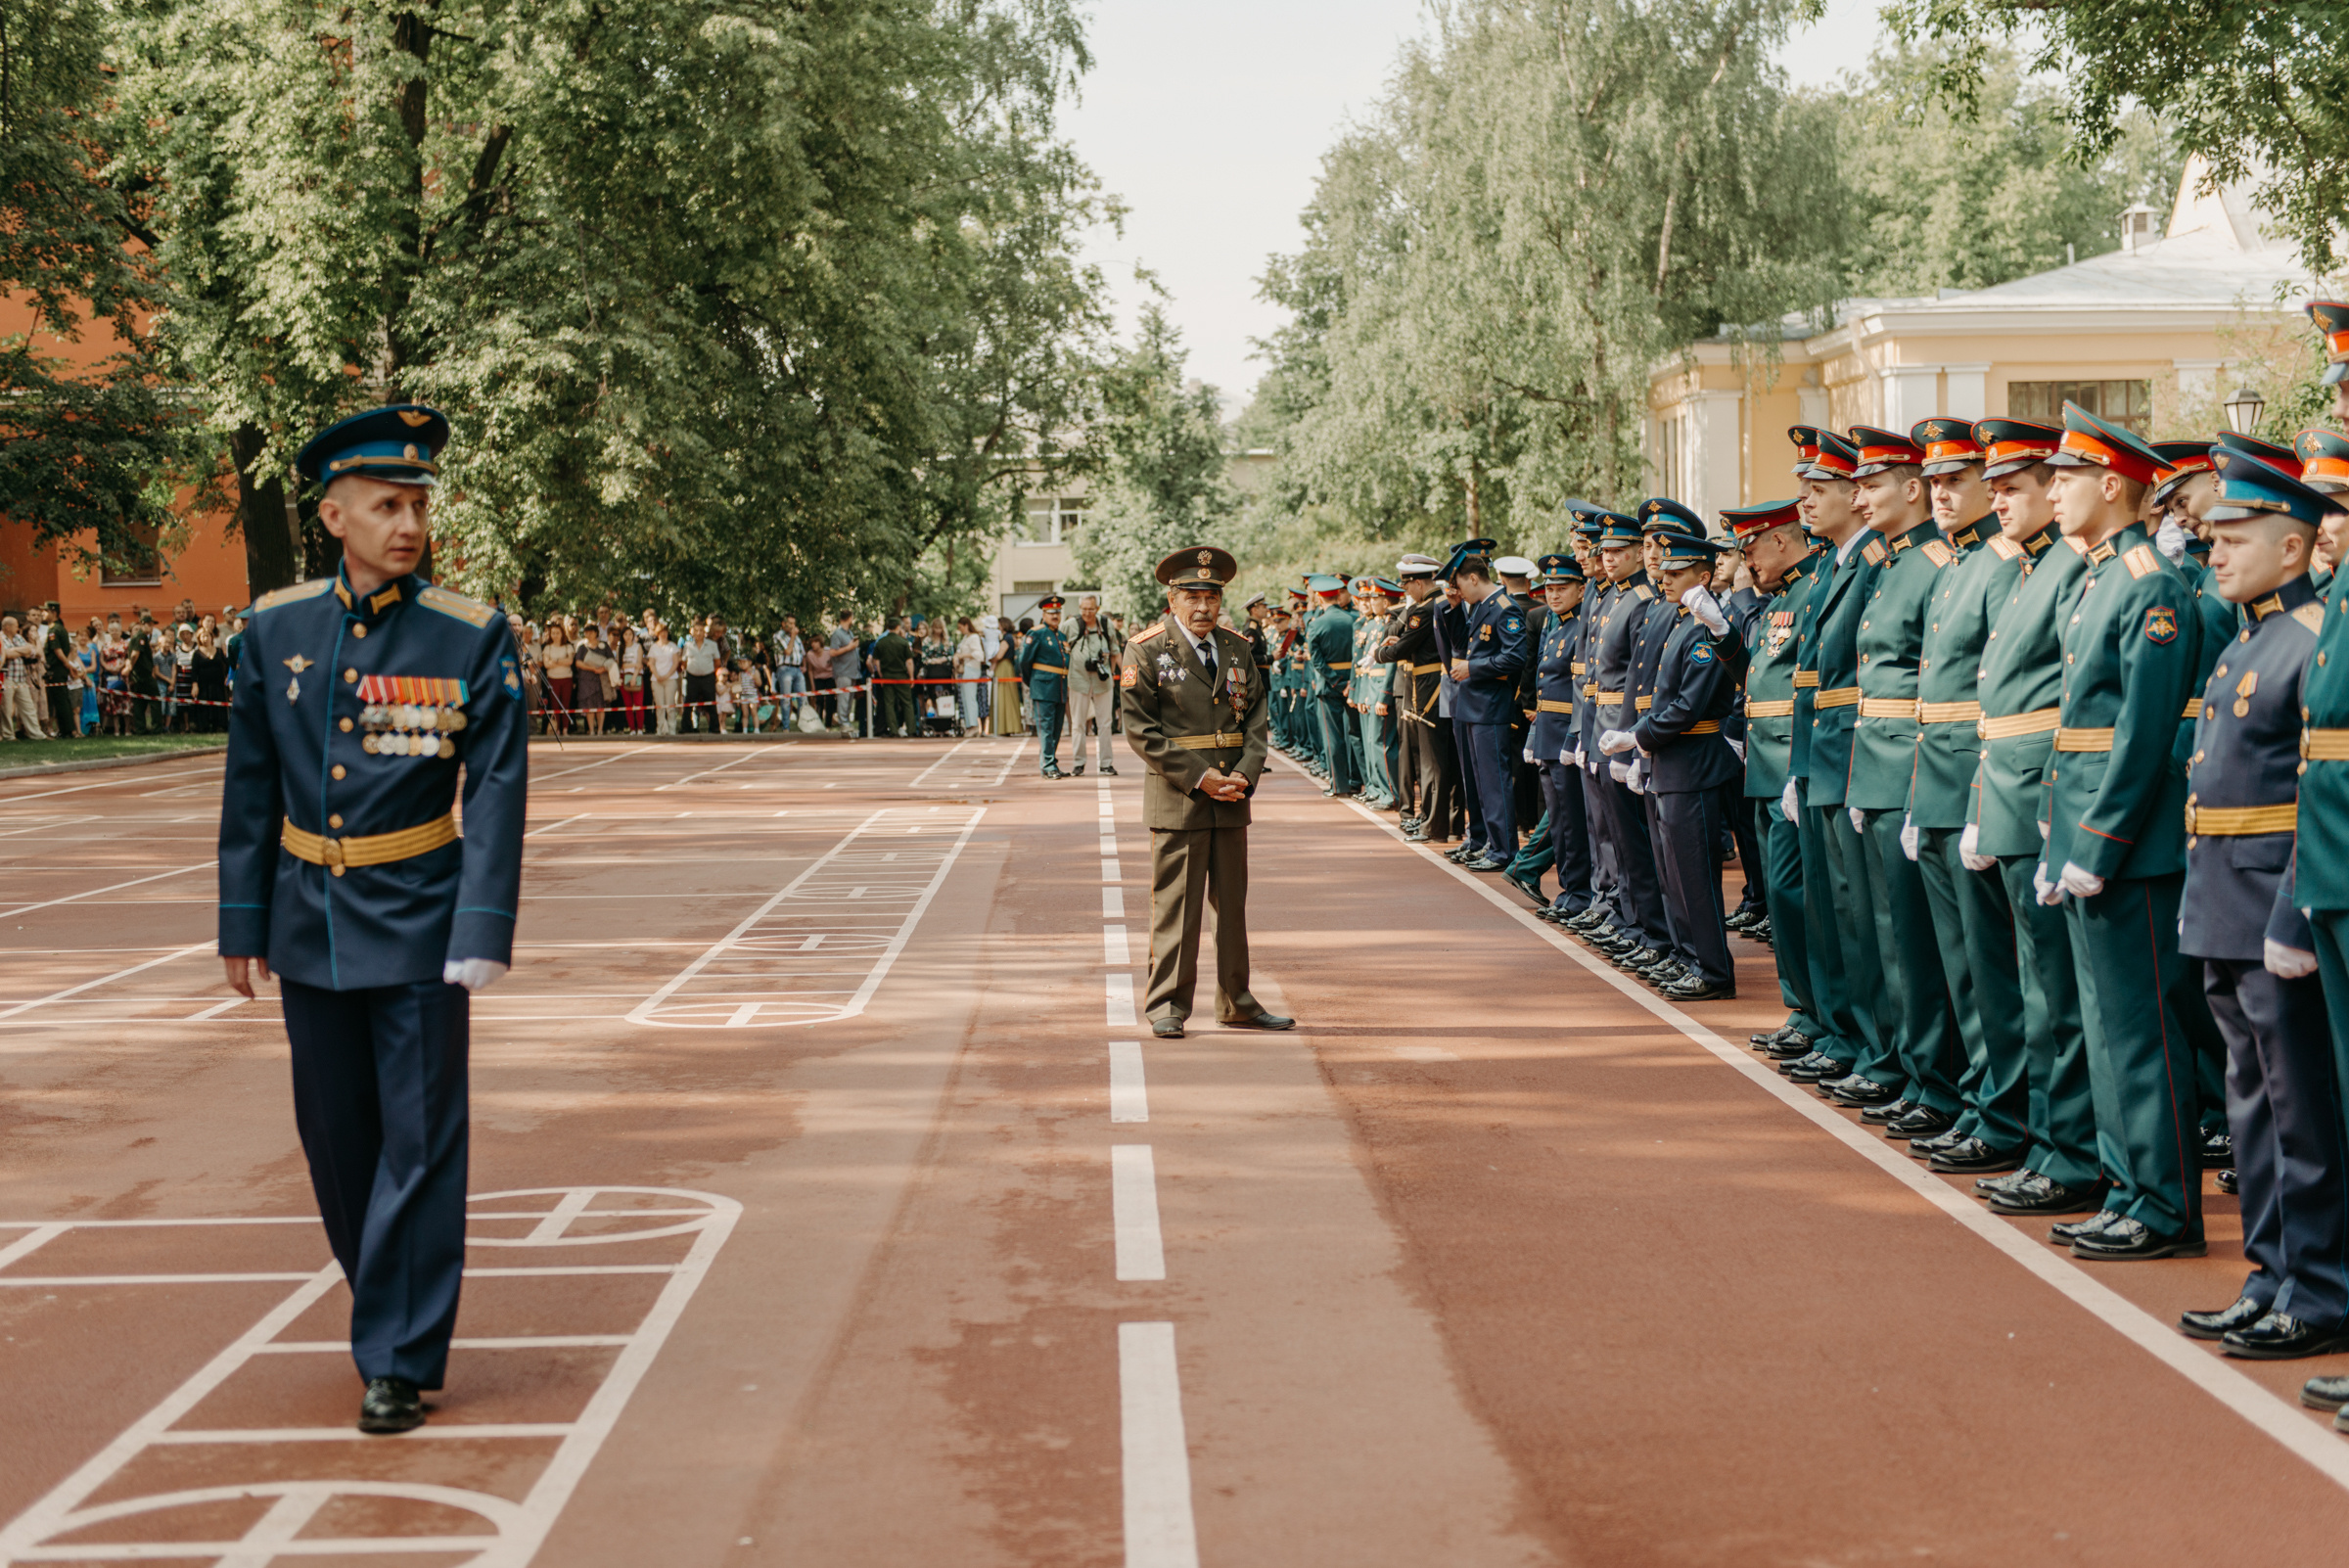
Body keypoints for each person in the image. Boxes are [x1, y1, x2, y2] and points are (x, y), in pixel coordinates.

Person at [215, 403, 528, 1435]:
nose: (408, 523)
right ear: (334, 516)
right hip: (310, 918)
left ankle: (395, 1351)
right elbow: (252, 786)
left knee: (422, 1143)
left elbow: (494, 788)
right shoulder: (273, 630)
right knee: (338, 1142)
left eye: (418, 505)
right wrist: (242, 920)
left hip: (424, 919)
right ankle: (385, 1299)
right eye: (386, 505)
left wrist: (481, 925)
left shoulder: (469, 634)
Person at [2173, 450, 2349, 1357]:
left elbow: (2315, 794)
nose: (2216, 553)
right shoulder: (2249, 635)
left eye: (2235, 539)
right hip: (2224, 900)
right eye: (2214, 538)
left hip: (2276, 905)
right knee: (2252, 1107)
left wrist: (2291, 913)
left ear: (2293, 546)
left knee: (2299, 1112)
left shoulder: (2315, 635)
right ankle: (2271, 1274)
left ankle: (2317, 1291)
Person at [1120, 545, 1295, 1040]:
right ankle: (1168, 1005)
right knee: (1178, 906)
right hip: (1181, 797)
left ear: (1222, 600)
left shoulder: (1237, 647)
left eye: (1211, 597)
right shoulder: (1147, 649)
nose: (1202, 608)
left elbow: (1257, 717)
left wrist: (1246, 772)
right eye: (1192, 596)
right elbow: (1140, 730)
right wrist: (1202, 777)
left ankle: (1236, 1002)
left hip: (1233, 794)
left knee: (1232, 908)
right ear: (1172, 599)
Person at [1064, 594, 1121, 775]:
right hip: (1078, 679)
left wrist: (1128, 675)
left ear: (1097, 608)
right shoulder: (1071, 625)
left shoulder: (1105, 624)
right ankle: (1078, 763)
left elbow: (1115, 652)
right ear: (1079, 608)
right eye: (1084, 609)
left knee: (1105, 723)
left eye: (1091, 608)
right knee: (1078, 723)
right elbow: (1056, 640)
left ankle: (1106, 763)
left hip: (1102, 680)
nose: (1087, 613)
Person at [1017, 595, 1071, 775]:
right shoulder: (1036, 633)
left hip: (1060, 687)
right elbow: (1024, 662)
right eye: (1051, 612)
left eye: (1057, 612)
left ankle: (1050, 763)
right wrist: (1033, 682)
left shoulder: (1061, 635)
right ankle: (1048, 766)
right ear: (1044, 613)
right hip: (1043, 687)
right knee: (1046, 728)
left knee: (1056, 729)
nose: (1055, 615)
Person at [870, 617, 915, 736]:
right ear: (898, 627)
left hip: (887, 677)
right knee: (907, 703)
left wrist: (881, 675)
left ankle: (893, 730)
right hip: (902, 676)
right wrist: (911, 677)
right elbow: (909, 662)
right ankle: (911, 730)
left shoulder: (881, 642)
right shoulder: (903, 642)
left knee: (889, 703)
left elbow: (876, 662)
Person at [826, 613, 863, 735]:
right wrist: (849, 647)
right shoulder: (837, 634)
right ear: (849, 618)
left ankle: (846, 721)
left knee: (849, 700)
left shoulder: (849, 633)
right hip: (843, 671)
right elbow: (832, 652)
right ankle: (843, 722)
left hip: (853, 672)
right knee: (843, 698)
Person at [682, 618, 721, 733]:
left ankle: (715, 728)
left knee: (711, 702)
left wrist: (708, 670)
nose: (699, 633)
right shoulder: (688, 645)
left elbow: (717, 662)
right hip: (692, 677)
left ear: (705, 632)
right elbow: (683, 662)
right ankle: (686, 728)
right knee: (688, 702)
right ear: (692, 632)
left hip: (708, 677)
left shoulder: (712, 645)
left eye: (701, 630)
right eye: (696, 630)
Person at [574, 624, 613, 736]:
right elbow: (578, 662)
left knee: (601, 705)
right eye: (586, 632)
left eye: (591, 632)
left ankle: (600, 730)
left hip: (602, 679)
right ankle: (591, 730)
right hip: (586, 680)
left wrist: (603, 669)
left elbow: (611, 661)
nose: (588, 634)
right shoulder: (582, 647)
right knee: (589, 706)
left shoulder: (604, 646)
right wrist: (592, 668)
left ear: (596, 633)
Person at [540, 620, 576, 734]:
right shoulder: (547, 647)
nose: (555, 635)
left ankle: (565, 729)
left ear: (562, 634)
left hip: (566, 678)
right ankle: (557, 729)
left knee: (566, 704)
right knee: (555, 705)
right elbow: (546, 664)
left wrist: (554, 661)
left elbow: (570, 661)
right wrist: (561, 661)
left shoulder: (567, 646)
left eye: (558, 633)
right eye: (553, 633)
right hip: (552, 679)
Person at [618, 624, 647, 733]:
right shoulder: (620, 647)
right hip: (624, 676)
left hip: (637, 676)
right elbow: (621, 665)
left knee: (638, 704)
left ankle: (640, 728)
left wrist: (634, 677)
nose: (628, 636)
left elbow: (639, 664)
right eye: (626, 634)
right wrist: (633, 664)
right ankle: (632, 728)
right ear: (622, 636)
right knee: (628, 705)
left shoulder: (638, 646)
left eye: (630, 634)